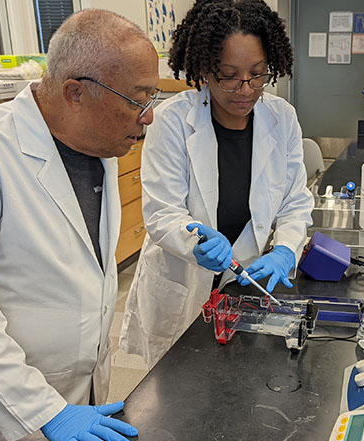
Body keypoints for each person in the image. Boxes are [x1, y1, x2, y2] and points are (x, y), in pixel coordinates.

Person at [0, 10, 160, 441]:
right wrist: (47, 411)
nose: (147, 117)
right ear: (75, 94)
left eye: (152, 97)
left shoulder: (100, 148)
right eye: (138, 99)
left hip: (80, 406)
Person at [120, 0, 313, 369]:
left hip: (244, 284)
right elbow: (162, 214)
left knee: (239, 382)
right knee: (177, 397)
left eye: (257, 74)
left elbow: (294, 202)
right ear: (205, 70)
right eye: (229, 75)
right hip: (183, 283)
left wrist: (285, 250)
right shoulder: (172, 122)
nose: (245, 89)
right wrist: (194, 241)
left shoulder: (282, 118)